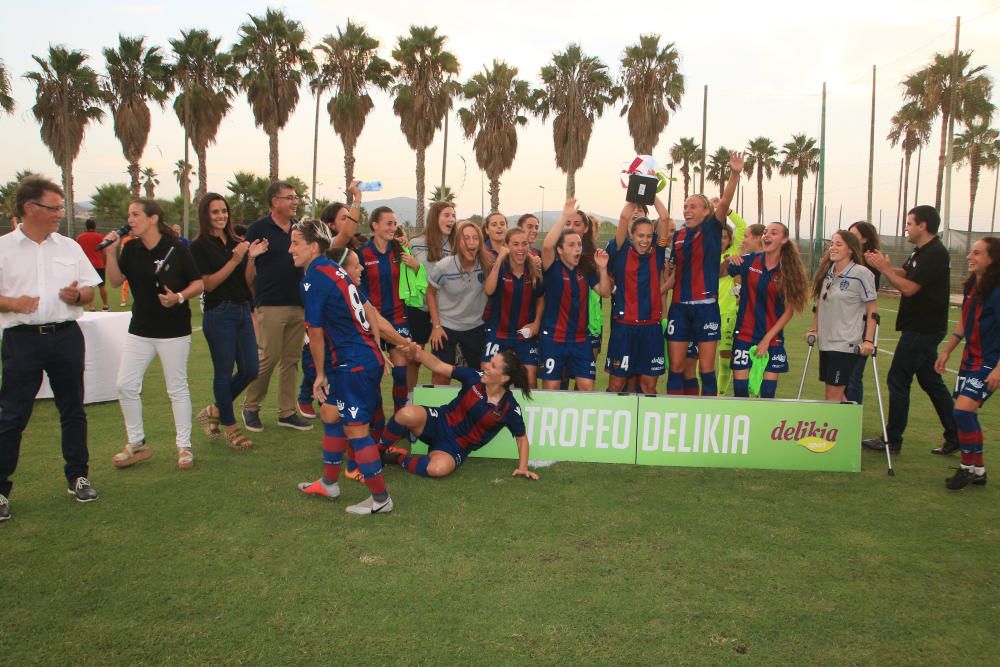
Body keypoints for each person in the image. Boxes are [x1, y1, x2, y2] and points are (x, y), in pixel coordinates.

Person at [290, 219, 410, 515]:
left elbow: (314, 331)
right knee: (331, 413)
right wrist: (378, 350)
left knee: (356, 431)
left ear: (313, 246)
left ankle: (381, 499)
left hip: (352, 363)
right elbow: (368, 309)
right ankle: (328, 483)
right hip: (361, 357)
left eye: (295, 243)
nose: (290, 248)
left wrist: (319, 374)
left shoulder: (313, 278)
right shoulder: (336, 270)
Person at [0, 176, 102, 520]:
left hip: (66, 336)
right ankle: (1, 489)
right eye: (54, 207)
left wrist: (78, 296)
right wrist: (12, 301)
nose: (60, 213)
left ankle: (78, 476)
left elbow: (89, 290)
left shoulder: (69, 247)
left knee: (73, 409)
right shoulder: (4, 248)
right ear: (31, 208)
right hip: (22, 340)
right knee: (12, 415)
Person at [102, 199, 204, 470]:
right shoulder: (131, 249)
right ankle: (137, 443)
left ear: (153, 218)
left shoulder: (176, 249)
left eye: (136, 214)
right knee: (125, 384)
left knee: (177, 388)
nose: (130, 220)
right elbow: (114, 281)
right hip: (141, 329)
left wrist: (179, 297)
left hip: (173, 331)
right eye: (129, 215)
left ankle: (184, 446)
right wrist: (111, 254)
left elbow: (199, 283)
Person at [862, 205, 959, 455]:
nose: (906, 227)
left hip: (923, 328)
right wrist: (880, 264)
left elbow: (910, 288)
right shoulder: (920, 251)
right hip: (919, 327)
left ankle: (892, 439)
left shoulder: (935, 253)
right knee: (930, 381)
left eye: (909, 222)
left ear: (923, 225)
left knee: (898, 378)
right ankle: (956, 434)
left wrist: (884, 270)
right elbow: (904, 273)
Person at [379, 347, 538, 480]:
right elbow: (439, 366)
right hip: (438, 421)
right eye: (490, 361)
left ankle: (396, 458)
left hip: (454, 447)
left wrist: (523, 467)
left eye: (493, 366)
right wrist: (418, 354)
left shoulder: (509, 408)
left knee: (437, 469)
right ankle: (378, 451)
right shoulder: (474, 377)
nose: (486, 366)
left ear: (504, 378)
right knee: (406, 414)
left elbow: (521, 438)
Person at [190, 193, 267, 450]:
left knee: (250, 369)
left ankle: (214, 409)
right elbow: (208, 284)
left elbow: (246, 282)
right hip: (219, 312)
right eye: (215, 212)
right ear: (206, 215)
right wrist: (235, 259)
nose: (221, 216)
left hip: (242, 309)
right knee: (223, 372)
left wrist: (251, 258)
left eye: (224, 211)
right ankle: (231, 428)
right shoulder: (199, 246)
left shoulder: (237, 241)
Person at [665, 152, 744, 396]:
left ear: (706, 211)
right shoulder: (676, 236)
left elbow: (725, 202)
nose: (687, 210)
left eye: (693, 206)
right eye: (685, 206)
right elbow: (673, 271)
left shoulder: (711, 229)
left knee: (706, 368)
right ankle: (675, 413)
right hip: (679, 308)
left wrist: (734, 174)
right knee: (677, 367)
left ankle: (708, 414)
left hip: (706, 308)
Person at [241, 182, 313, 433]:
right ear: (275, 201)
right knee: (269, 357)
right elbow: (247, 270)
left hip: (298, 302)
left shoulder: (300, 230)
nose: (295, 201)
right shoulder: (259, 229)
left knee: (292, 360)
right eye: (289, 197)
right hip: (270, 303)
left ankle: (287, 412)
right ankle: (251, 407)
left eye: (296, 197)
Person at [934, 238, 1000, 489]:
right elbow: (964, 320)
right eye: (971, 252)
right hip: (970, 360)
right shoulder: (974, 285)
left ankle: (967, 468)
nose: (970, 256)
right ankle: (979, 470)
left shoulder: (997, 290)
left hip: (989, 362)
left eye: (977, 253)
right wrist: (947, 350)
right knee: (966, 413)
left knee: (961, 411)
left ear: (992, 259)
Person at [725, 222, 809, 398]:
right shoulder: (749, 261)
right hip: (744, 336)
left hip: (773, 339)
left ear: (784, 240)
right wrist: (732, 259)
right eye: (765, 232)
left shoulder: (787, 271)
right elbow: (721, 271)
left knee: (767, 393)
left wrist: (766, 340)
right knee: (741, 391)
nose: (767, 235)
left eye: (774, 232)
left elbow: (789, 312)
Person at [539, 198, 612, 391]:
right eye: (571, 245)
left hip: (580, 339)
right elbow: (547, 246)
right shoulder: (552, 268)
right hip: (554, 338)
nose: (577, 248)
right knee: (552, 387)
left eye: (579, 244)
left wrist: (603, 269)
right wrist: (565, 216)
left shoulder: (585, 270)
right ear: (560, 250)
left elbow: (605, 292)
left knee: (587, 387)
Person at [358, 206, 420, 414]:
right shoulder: (363, 253)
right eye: (388, 223)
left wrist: (415, 265)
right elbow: (357, 287)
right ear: (375, 225)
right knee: (374, 371)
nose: (392, 228)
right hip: (371, 319)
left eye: (395, 224)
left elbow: (419, 277)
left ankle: (400, 418)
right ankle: (374, 418)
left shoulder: (400, 249)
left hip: (397, 317)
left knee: (401, 371)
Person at [605, 202, 668, 394]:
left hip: (651, 328)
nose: (645, 240)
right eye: (641, 235)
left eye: (649, 236)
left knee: (649, 386)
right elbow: (624, 218)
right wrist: (636, 189)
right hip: (624, 327)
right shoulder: (620, 250)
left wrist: (652, 189)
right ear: (631, 235)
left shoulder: (657, 252)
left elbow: (664, 218)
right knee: (617, 385)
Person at [807, 230, 877, 402]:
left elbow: (872, 310)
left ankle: (835, 428)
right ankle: (851, 426)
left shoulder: (861, 274)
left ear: (851, 249)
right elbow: (820, 305)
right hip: (826, 343)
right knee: (837, 395)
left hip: (845, 344)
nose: (833, 248)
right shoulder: (827, 273)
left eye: (838, 244)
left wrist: (868, 341)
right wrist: (814, 330)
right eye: (832, 244)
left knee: (832, 396)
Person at [426, 221, 491, 384]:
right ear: (458, 242)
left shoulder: (487, 264)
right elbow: (430, 293)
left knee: (479, 376)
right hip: (446, 325)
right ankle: (437, 408)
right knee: (441, 374)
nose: (471, 242)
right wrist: (436, 326)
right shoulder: (444, 266)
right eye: (466, 238)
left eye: (475, 238)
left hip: (475, 326)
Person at [482, 227, 543, 386]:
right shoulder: (500, 267)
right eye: (515, 244)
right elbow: (489, 290)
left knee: (529, 382)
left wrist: (536, 323)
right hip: (498, 332)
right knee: (489, 378)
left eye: (524, 244)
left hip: (523, 335)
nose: (520, 249)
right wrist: (500, 259)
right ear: (507, 246)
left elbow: (541, 298)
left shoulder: (534, 270)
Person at [407, 201, 457, 389]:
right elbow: (409, 277)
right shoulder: (415, 243)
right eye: (446, 215)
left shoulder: (456, 245)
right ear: (435, 217)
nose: (451, 219)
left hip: (443, 312)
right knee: (414, 358)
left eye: (453, 215)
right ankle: (409, 398)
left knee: (441, 363)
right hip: (418, 309)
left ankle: (435, 405)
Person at [845, 220, 882, 404]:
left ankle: (851, 420)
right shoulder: (847, 260)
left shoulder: (870, 263)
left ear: (865, 238)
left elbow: (869, 300)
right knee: (840, 376)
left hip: (861, 325)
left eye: (854, 234)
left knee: (853, 377)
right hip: (843, 325)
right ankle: (839, 418)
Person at [716, 208, 747, 394]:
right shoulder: (707, 255)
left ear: (730, 240)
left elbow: (742, 227)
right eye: (718, 237)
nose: (721, 240)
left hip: (728, 313)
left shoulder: (733, 253)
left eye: (725, 237)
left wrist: (726, 210)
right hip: (707, 313)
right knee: (702, 358)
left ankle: (720, 395)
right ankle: (703, 395)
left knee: (725, 360)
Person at [76, 219, 109, 311]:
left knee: (88, 286)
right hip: (99, 265)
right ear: (95, 226)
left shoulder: (80, 237)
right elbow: (104, 252)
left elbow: (78, 252)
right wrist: (104, 263)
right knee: (102, 286)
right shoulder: (100, 237)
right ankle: (105, 305)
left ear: (86, 227)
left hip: (87, 266)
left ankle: (91, 306)